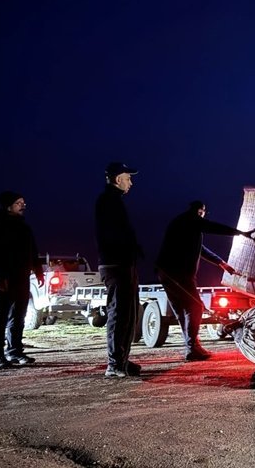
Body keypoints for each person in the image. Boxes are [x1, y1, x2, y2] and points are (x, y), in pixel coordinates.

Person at [156, 200, 255, 361]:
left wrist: (221, 263)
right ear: (201, 212)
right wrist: (242, 233)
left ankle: (192, 346)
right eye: (203, 214)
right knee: (195, 307)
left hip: (166, 271)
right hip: (178, 273)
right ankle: (192, 349)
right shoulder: (191, 220)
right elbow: (215, 227)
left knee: (182, 309)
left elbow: (200, 249)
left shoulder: (183, 223)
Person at [0, 191, 44, 369]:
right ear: (8, 206)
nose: (23, 206)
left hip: (22, 277)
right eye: (19, 203)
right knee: (0, 316)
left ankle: (15, 351)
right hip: (4, 278)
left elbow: (32, 249)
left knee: (19, 316)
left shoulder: (24, 227)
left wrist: (38, 269)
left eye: (23, 202)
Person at [95, 162, 143, 378]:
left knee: (129, 313)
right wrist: (128, 249)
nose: (131, 182)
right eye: (128, 178)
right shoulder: (107, 202)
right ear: (117, 180)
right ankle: (114, 364)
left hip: (125, 263)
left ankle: (122, 358)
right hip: (116, 265)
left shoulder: (115, 202)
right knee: (119, 312)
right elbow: (113, 235)